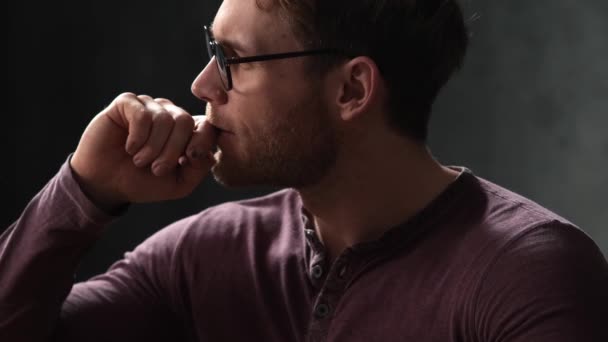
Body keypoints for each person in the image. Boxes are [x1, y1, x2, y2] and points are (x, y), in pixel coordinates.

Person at [1, 0, 607, 340]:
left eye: (233, 59)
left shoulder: (526, 277)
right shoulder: (206, 255)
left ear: (352, 90)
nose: (201, 85)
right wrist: (83, 191)